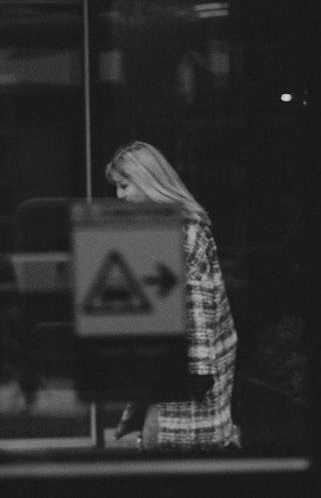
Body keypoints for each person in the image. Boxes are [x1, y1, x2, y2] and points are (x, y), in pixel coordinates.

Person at [106, 141, 240, 451]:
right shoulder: (171, 225)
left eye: (125, 185)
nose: (120, 195)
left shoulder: (181, 230)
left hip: (185, 367)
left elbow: (198, 303)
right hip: (178, 362)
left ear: (148, 180)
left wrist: (199, 371)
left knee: (167, 451)